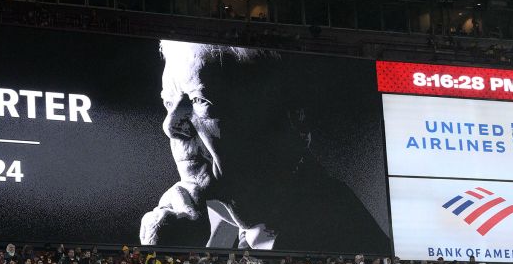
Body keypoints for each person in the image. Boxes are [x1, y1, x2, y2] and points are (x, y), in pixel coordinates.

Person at [138, 41, 386, 252]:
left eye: (199, 100)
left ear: (293, 117)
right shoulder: (190, 226)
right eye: (169, 102)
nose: (169, 126)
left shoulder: (346, 239)